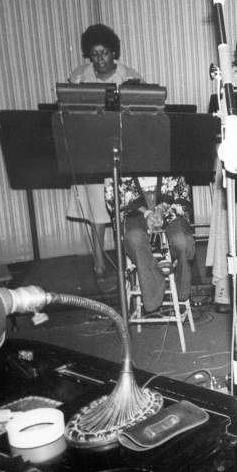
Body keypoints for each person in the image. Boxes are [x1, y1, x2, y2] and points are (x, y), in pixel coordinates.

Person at [66, 24, 141, 292]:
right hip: (92, 150)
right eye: (95, 54)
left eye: (105, 53)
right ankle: (98, 264)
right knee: (97, 209)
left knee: (126, 209)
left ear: (113, 52)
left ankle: (126, 265)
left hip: (122, 147)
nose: (99, 59)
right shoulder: (78, 77)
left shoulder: (130, 76)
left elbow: (140, 116)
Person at [105, 176, 195, 317]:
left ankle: (181, 287)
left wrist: (160, 210)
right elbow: (113, 199)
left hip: (169, 211)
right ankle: (154, 285)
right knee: (135, 239)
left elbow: (182, 196)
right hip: (134, 214)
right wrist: (146, 213)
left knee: (182, 241)